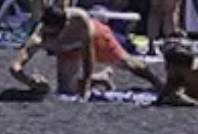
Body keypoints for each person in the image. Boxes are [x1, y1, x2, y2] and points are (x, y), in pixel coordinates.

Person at [10, 6, 162, 97]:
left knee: (126, 62)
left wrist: (87, 85)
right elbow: (15, 67)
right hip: (68, 48)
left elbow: (88, 54)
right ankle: (102, 77)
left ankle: (158, 83)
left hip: (95, 36)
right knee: (66, 90)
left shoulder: (78, 19)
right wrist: (30, 82)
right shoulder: (38, 38)